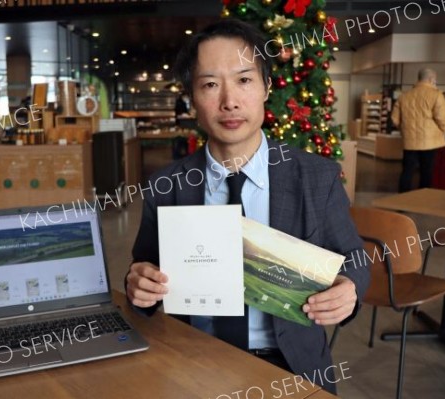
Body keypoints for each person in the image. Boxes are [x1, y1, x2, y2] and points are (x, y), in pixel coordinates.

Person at [125, 19, 369, 394]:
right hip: (194, 360)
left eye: (244, 80)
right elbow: (144, 269)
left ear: (266, 87)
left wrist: (349, 288)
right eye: (210, 84)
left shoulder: (316, 178)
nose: (230, 101)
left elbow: (353, 258)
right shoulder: (167, 184)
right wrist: (139, 285)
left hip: (290, 364)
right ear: (191, 97)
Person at [391, 68, 445, 192]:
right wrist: (444, 130)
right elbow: (442, 118)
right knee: (426, 172)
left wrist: (405, 129)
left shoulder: (404, 96)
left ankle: (402, 200)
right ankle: (422, 200)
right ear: (431, 79)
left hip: (410, 141)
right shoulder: (436, 95)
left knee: (407, 171)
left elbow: (394, 119)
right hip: (430, 142)